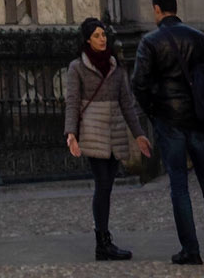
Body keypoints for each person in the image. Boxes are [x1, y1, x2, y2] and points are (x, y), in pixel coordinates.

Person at [131, 0, 204, 266]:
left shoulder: (150, 42)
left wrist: (154, 112)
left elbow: (138, 83)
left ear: (156, 10)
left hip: (170, 121)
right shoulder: (198, 38)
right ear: (175, 9)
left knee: (179, 185)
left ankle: (191, 249)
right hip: (199, 120)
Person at [65, 17, 151, 262]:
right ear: (87, 40)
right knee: (102, 183)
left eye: (104, 35)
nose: (102, 39)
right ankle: (102, 241)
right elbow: (72, 101)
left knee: (107, 184)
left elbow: (127, 102)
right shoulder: (77, 67)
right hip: (92, 131)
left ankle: (104, 240)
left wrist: (139, 134)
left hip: (114, 130)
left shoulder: (116, 65)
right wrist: (71, 133)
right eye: (97, 36)